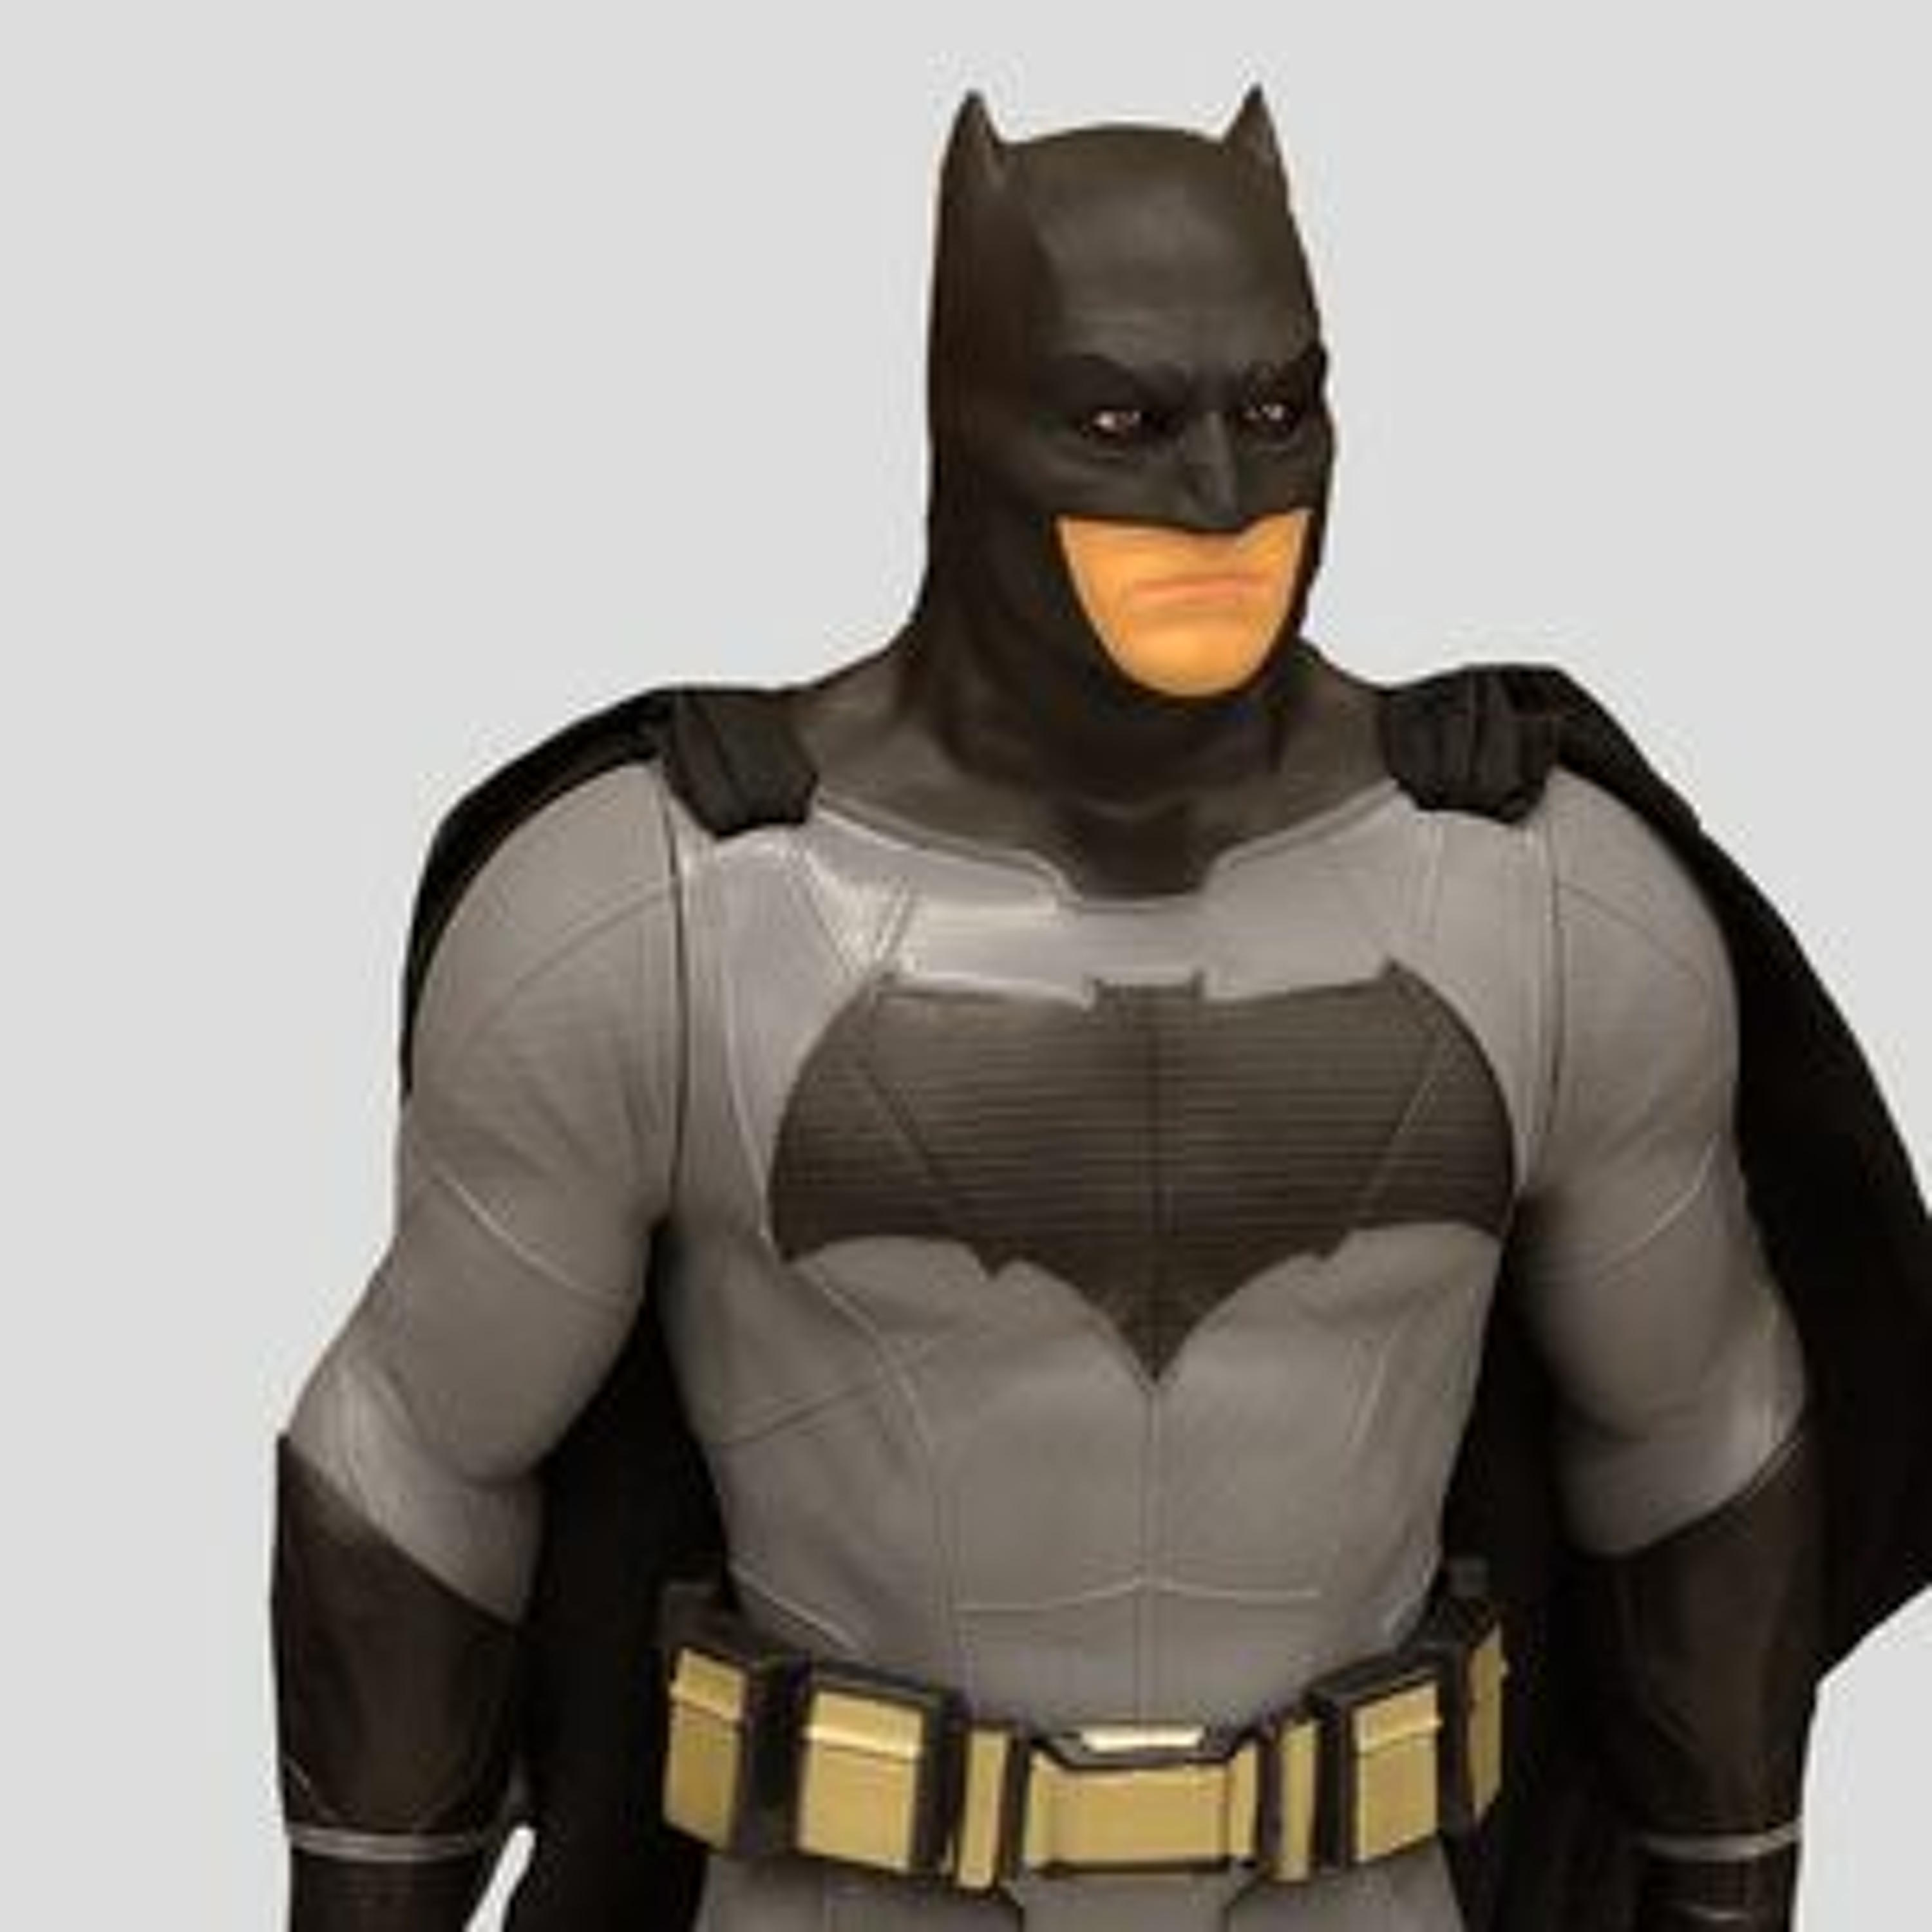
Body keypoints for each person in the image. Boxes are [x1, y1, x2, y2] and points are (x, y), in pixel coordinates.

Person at [271, 91, 1931, 1931]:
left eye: (1277, 411)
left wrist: (1727, 1903)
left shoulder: (1540, 899)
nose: (1221, 497)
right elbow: (415, 1465)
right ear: (965, 426)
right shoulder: (662, 904)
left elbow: (1694, 1439)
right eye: (1126, 425)